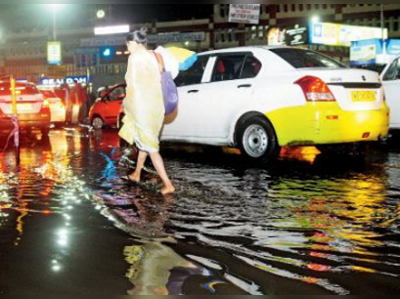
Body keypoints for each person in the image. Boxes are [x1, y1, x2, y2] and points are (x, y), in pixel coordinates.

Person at [119, 29, 175, 195]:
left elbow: (132, 85)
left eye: (128, 44)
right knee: (145, 140)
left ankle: (168, 184)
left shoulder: (134, 58)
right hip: (157, 107)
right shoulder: (154, 55)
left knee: (151, 146)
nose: (127, 47)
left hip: (143, 107)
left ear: (135, 43)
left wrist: (126, 105)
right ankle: (136, 174)